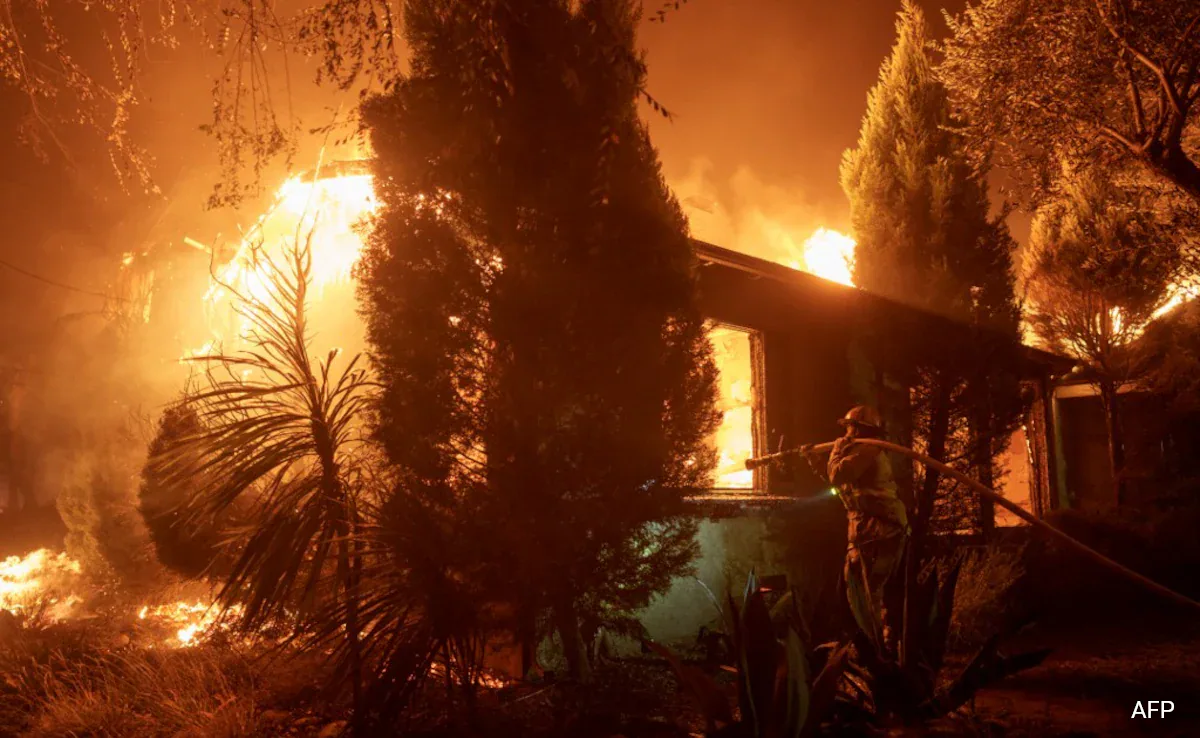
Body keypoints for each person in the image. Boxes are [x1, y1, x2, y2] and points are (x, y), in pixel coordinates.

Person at [802, 405, 908, 639]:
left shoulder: (868, 451)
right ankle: (876, 643)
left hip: (879, 530)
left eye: (850, 427)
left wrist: (837, 449)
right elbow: (839, 481)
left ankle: (877, 646)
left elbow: (838, 474)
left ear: (860, 429)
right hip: (868, 528)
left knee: (868, 592)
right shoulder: (859, 452)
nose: (846, 433)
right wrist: (814, 461)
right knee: (862, 590)